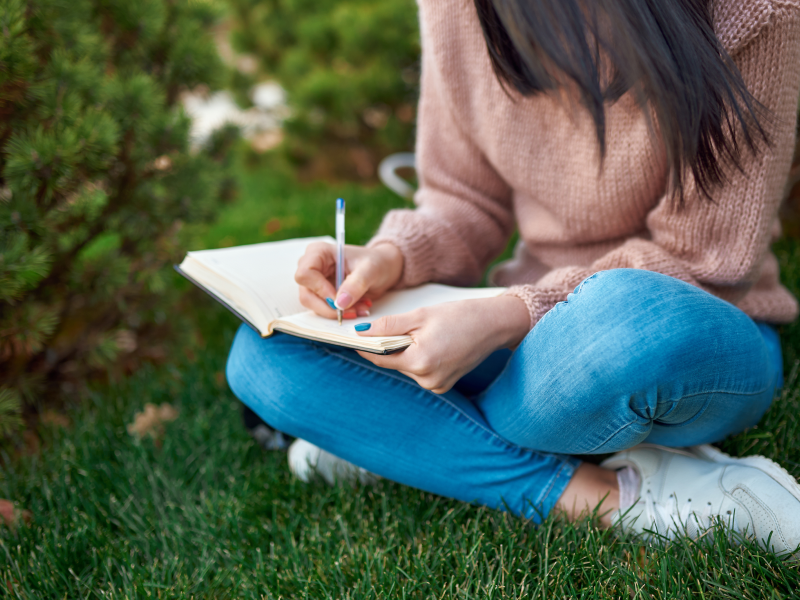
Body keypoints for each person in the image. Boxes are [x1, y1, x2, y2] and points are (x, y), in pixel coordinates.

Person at [227, 0, 800, 556]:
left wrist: (510, 313)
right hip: (519, 340)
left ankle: (401, 439)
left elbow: (704, 261)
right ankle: (608, 499)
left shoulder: (754, 12)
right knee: (263, 356)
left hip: (677, 327)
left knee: (618, 324)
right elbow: (462, 200)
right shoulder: (459, 7)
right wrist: (391, 256)